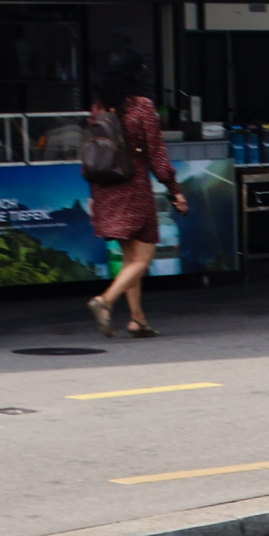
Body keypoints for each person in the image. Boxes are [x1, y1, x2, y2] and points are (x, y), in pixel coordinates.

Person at [86, 51, 184, 339]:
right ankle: (105, 301)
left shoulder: (98, 108)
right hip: (134, 187)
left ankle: (137, 320)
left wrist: (93, 194)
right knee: (144, 258)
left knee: (130, 259)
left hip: (105, 189)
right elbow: (158, 158)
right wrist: (175, 191)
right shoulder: (142, 107)